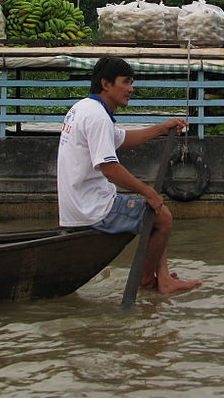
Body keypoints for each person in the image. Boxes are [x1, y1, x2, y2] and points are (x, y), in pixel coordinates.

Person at [57, 56, 201, 293]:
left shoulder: (83, 108)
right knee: (162, 216)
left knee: (154, 212)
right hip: (92, 207)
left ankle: (162, 276)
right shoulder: (96, 116)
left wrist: (161, 128)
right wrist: (148, 191)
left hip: (78, 204)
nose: (130, 89)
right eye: (125, 82)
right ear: (106, 84)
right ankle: (148, 280)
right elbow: (109, 168)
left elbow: (122, 139)